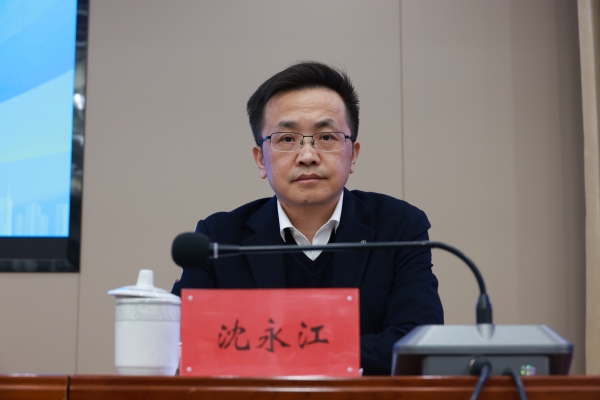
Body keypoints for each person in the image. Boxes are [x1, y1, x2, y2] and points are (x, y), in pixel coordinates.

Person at [172, 61, 443, 375]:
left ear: (353, 154)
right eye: (287, 139)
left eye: (326, 137)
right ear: (260, 160)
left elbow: (419, 339)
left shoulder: (399, 228)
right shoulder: (218, 239)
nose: (308, 155)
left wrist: (295, 354)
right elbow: (183, 343)